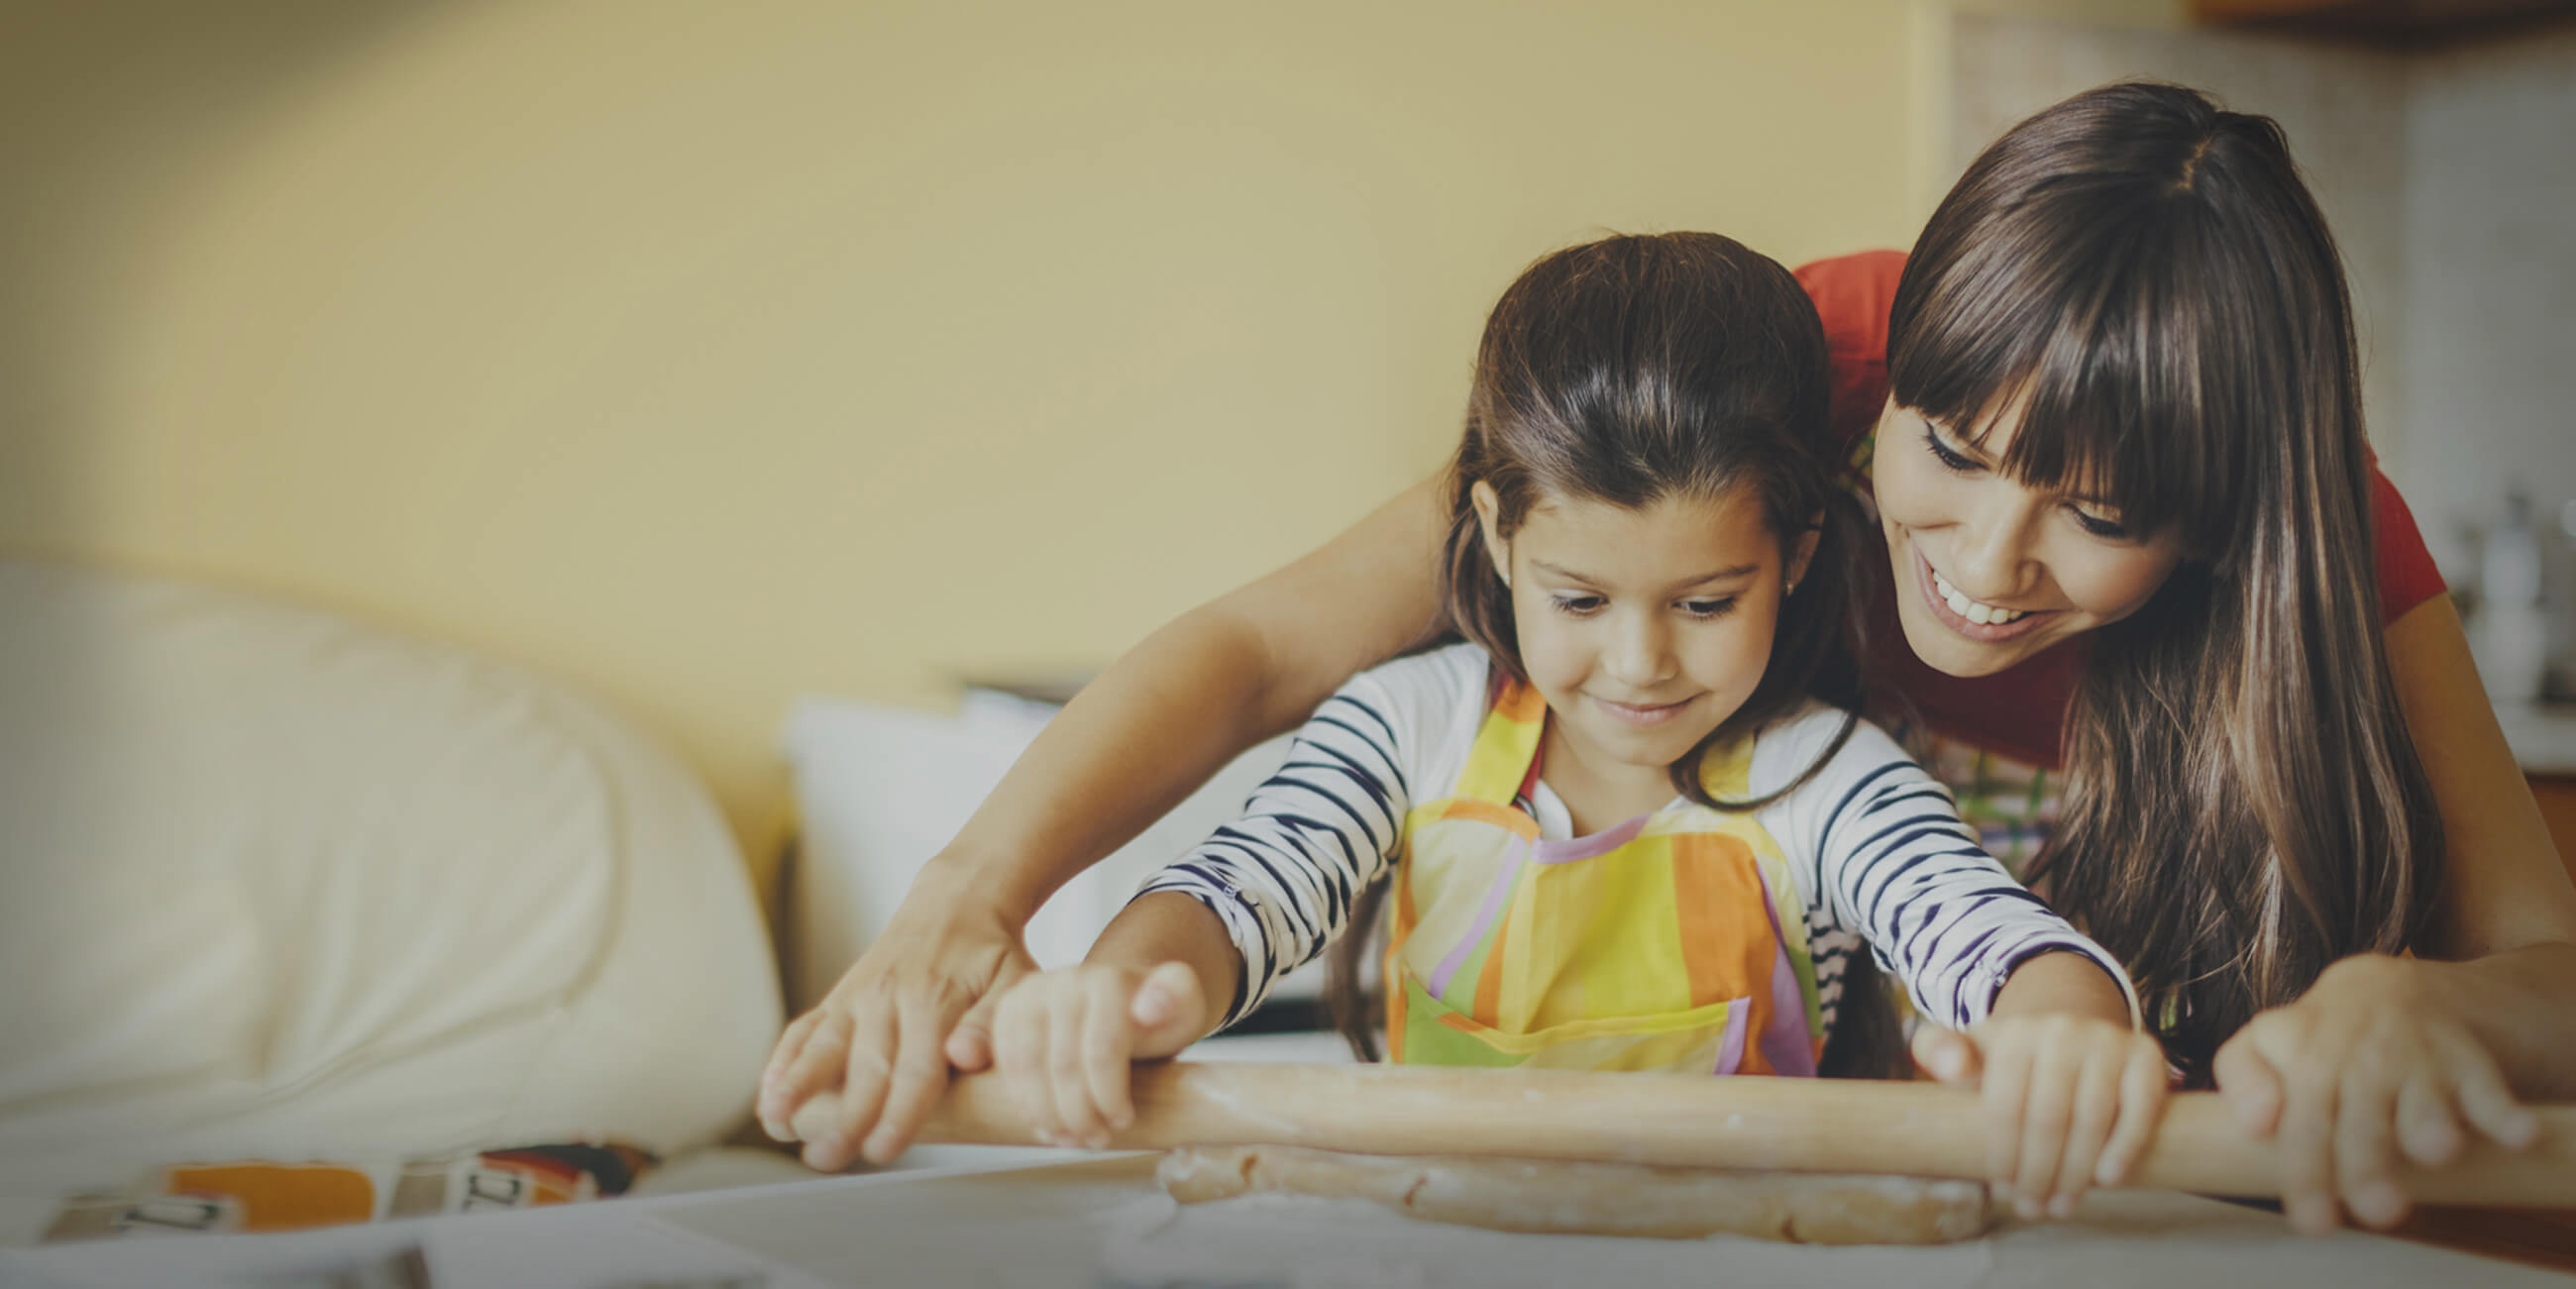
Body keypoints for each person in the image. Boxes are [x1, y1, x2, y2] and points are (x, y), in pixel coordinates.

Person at [761, 82, 2576, 1235]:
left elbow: (2539, 964)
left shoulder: (2314, 538)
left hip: (2004, 1166)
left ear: (2226, 526)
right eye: (1943, 457)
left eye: (2097, 518)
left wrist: (2411, 1001)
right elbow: (1261, 667)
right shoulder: (1803, 368)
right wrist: (985, 905)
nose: (1987, 567)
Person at [980, 233, 2157, 1226]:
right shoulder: (1410, 725)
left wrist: (2060, 1031)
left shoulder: (1828, 779)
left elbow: (1982, 935)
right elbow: (1239, 890)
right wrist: (1122, 989)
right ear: (1495, 536)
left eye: (1704, 604)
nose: (1638, 662)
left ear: (1794, 558)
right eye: (1579, 599)